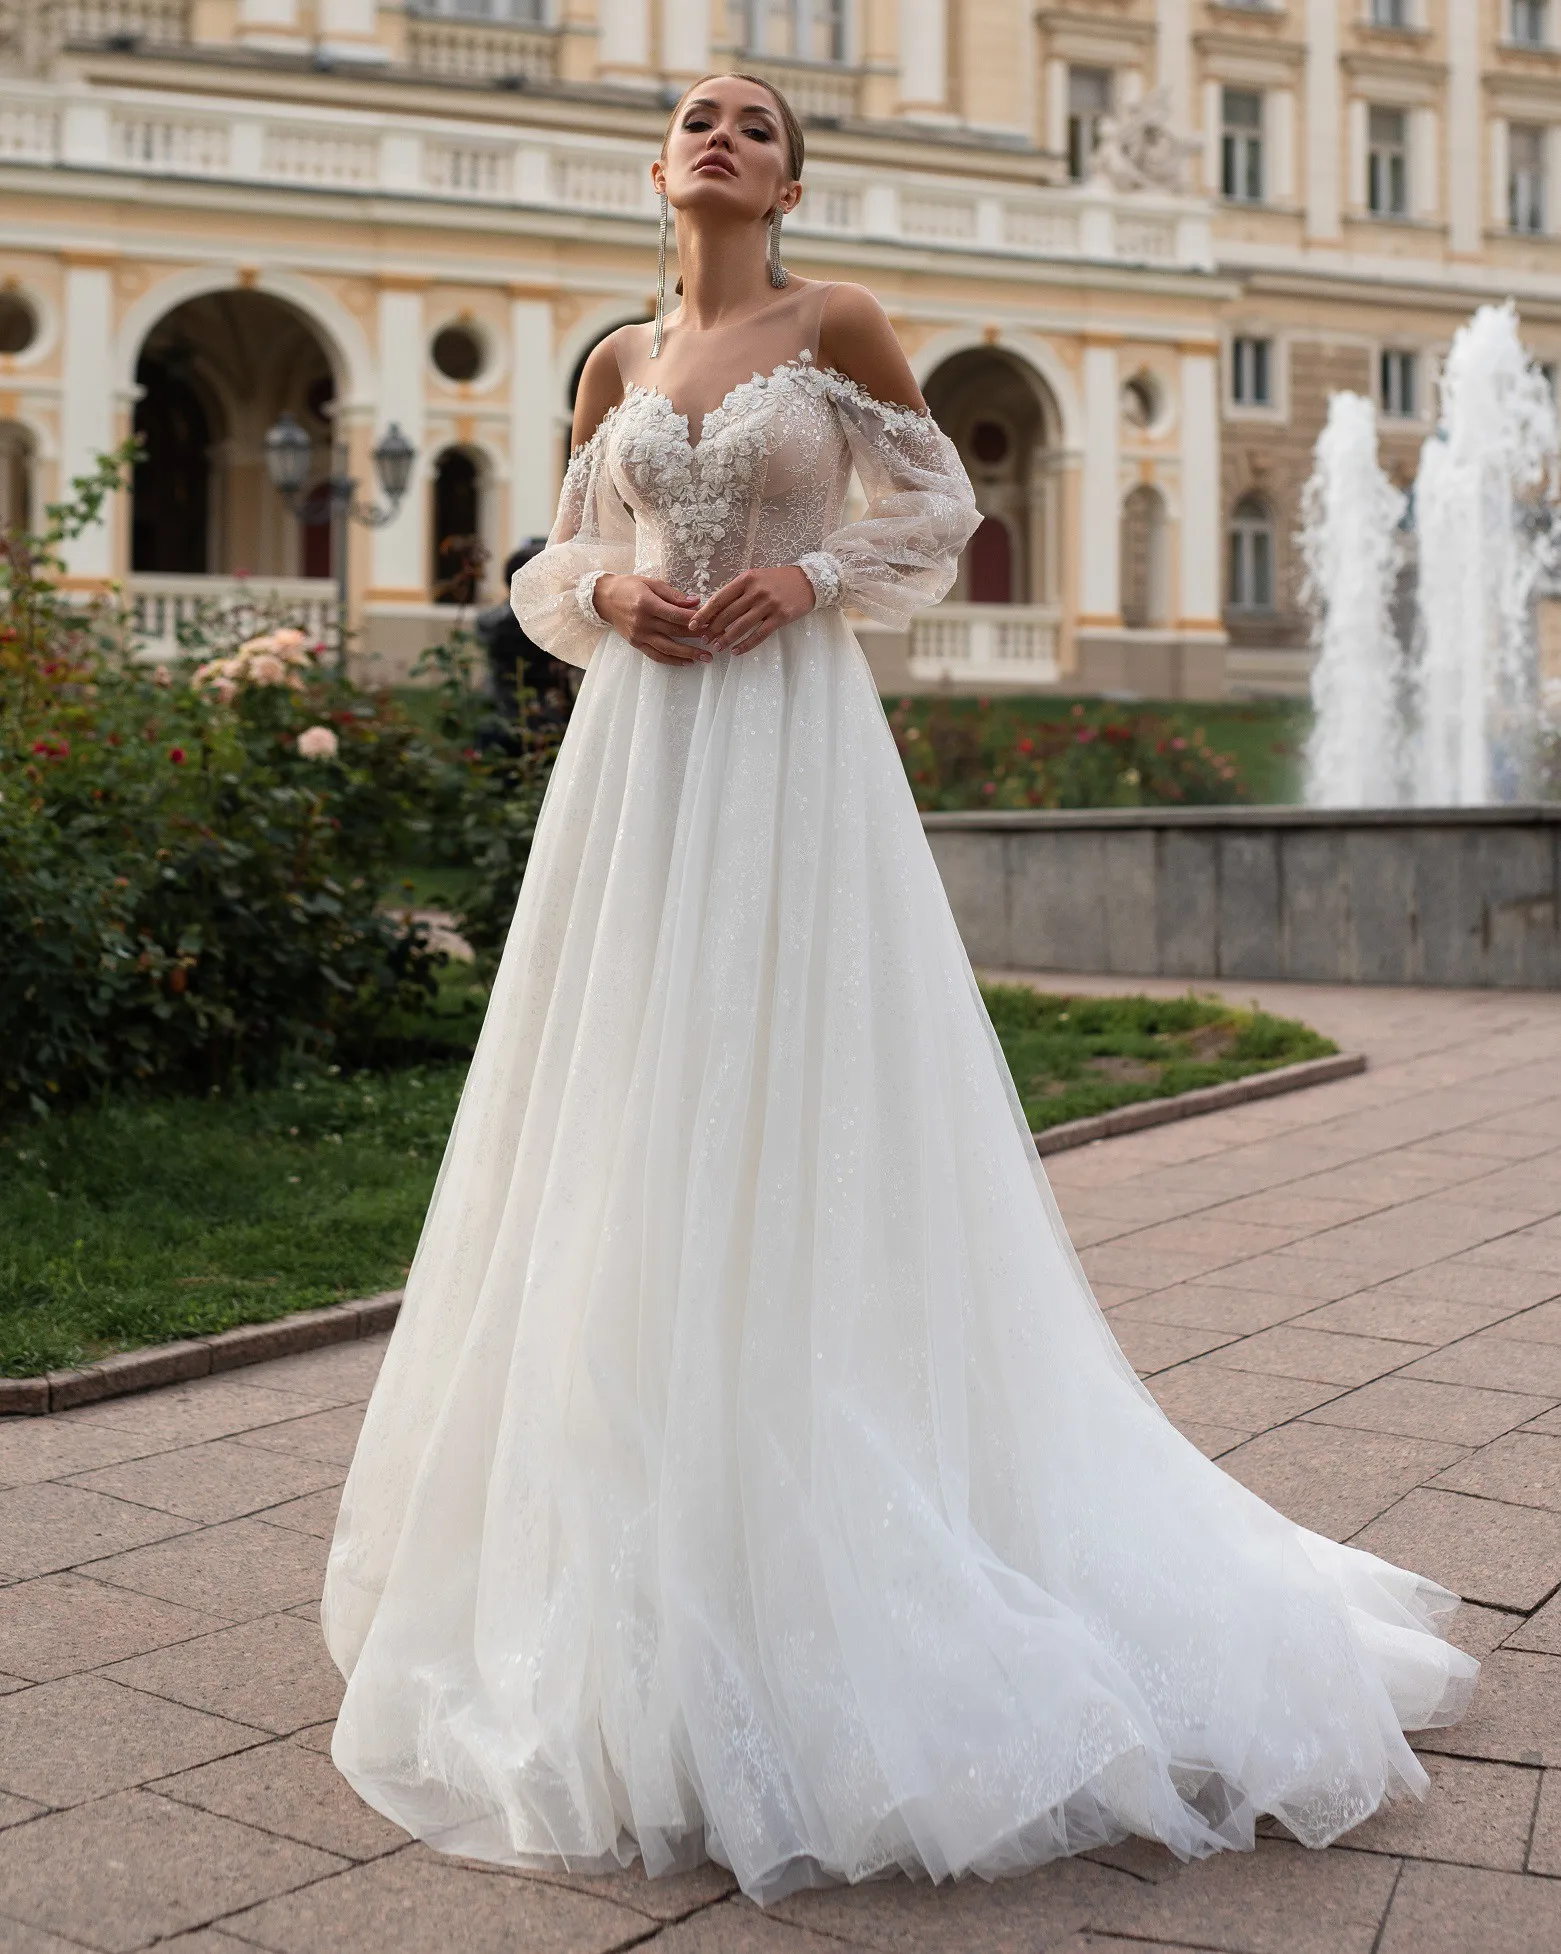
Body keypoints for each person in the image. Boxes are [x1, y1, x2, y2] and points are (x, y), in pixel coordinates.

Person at [322, 72, 1476, 1907]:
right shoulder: (617, 360)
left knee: (793, 1089)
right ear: (657, 167)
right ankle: (632, 1535)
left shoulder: (832, 322)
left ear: (791, 179)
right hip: (640, 766)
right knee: (622, 1100)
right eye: (696, 116)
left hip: (787, 749)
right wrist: (612, 600)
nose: (720, 134)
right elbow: (552, 563)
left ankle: (834, 1494)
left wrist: (804, 573)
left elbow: (934, 503)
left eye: (755, 124)